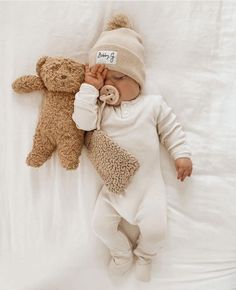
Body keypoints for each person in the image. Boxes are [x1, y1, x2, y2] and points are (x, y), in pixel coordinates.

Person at [72, 14, 193, 282]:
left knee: (156, 231)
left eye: (119, 77)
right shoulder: (100, 111)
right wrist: (90, 90)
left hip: (148, 190)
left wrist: (181, 154)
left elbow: (171, 130)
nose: (110, 85)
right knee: (100, 226)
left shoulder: (152, 105)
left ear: (137, 80)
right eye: (106, 80)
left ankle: (145, 256)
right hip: (113, 191)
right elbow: (81, 122)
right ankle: (121, 253)